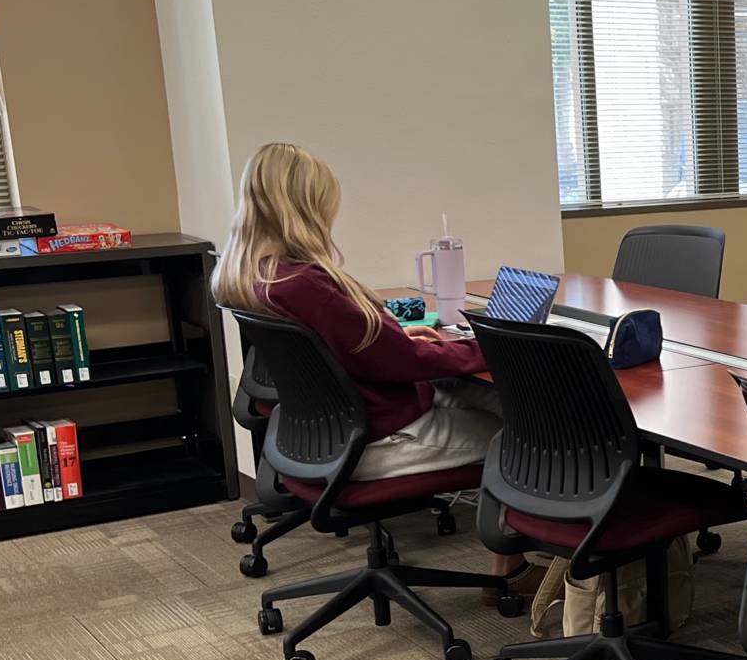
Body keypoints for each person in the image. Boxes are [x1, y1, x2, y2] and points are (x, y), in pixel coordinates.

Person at [212, 142, 519, 574]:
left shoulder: (252, 275)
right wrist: (496, 347)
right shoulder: (306, 284)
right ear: (303, 208)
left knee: (498, 399)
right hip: (377, 437)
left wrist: (388, 334)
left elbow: (356, 349)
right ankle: (513, 572)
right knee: (530, 435)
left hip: (331, 432)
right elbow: (404, 363)